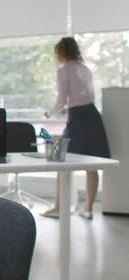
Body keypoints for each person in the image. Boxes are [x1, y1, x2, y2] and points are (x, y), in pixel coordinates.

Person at [42, 37, 111, 220]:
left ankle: (59, 207)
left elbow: (61, 100)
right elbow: (87, 96)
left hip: (78, 119)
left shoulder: (64, 71)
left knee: (61, 160)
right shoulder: (85, 69)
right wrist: (69, 107)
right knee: (92, 165)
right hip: (92, 116)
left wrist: (49, 113)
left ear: (61, 52)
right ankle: (87, 209)